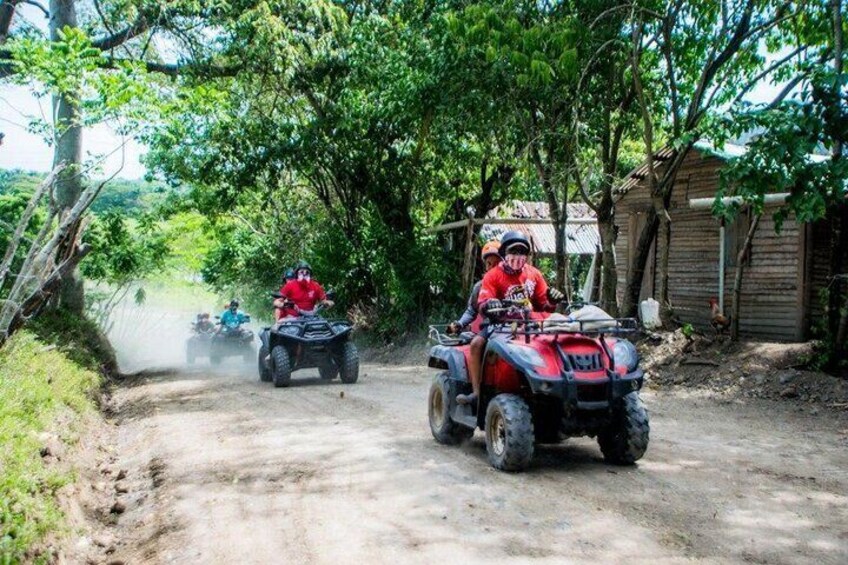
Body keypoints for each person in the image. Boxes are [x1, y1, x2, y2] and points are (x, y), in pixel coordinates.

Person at [456, 231, 564, 406]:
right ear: (504, 253)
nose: (518, 256)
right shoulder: (492, 276)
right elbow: (482, 302)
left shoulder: (534, 274)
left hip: (530, 324)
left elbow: (545, 306)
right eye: (514, 251)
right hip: (499, 324)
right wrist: (489, 306)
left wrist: (551, 300)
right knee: (476, 344)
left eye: (522, 252)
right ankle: (476, 392)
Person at [447, 240, 502, 335]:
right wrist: (460, 323)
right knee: (477, 344)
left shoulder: (511, 284)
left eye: (496, 264)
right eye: (489, 264)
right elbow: (471, 311)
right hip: (490, 329)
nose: (492, 267)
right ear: (485, 265)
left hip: (511, 329)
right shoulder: (479, 287)